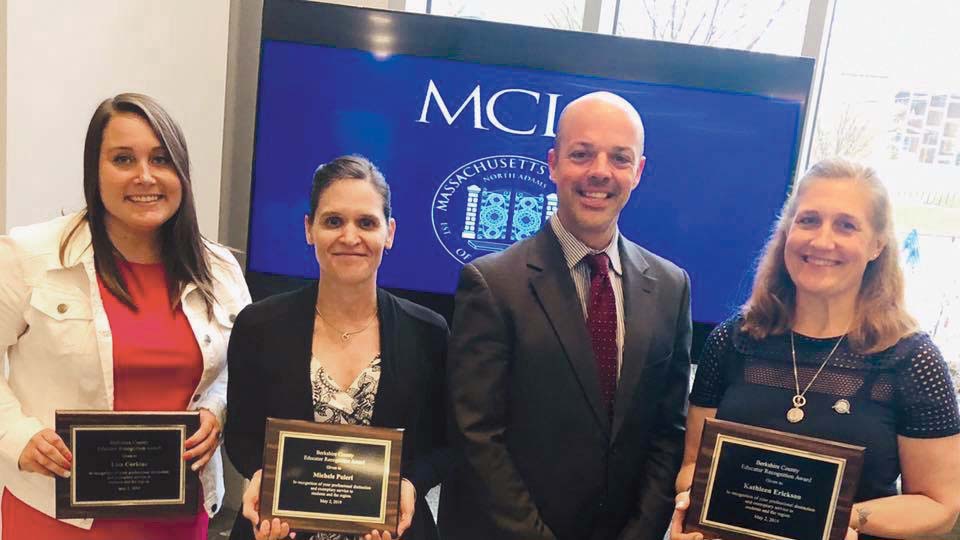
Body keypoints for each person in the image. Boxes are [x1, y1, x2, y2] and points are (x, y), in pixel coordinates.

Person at [437, 91, 692, 540]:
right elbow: (477, 436)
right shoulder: (492, 285)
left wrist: (641, 533)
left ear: (639, 171)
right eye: (581, 154)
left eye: (619, 158)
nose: (599, 172)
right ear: (553, 164)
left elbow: (667, 433)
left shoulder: (671, 288)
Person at [0, 93, 251, 539]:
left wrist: (216, 410)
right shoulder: (30, 256)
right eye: (122, 159)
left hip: (176, 515)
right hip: (55, 515)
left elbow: (244, 368)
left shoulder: (219, 270)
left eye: (161, 159)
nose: (145, 176)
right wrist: (16, 437)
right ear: (93, 171)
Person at [670, 159, 960, 540]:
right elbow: (693, 465)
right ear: (787, 231)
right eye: (808, 220)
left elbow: (940, 504)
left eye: (846, 225)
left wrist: (840, 519)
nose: (822, 241)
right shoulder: (732, 341)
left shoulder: (911, 361)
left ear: (877, 244)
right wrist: (694, 514)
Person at [224, 155, 451, 540]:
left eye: (366, 222)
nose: (350, 237)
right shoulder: (257, 326)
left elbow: (443, 443)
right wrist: (261, 476)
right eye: (333, 221)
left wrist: (412, 483)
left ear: (389, 232)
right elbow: (241, 436)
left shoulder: (428, 332)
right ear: (309, 229)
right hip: (279, 531)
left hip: (391, 532)